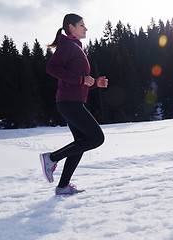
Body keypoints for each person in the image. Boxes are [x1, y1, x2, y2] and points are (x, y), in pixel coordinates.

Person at [40, 13, 108, 195]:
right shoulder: (68, 45)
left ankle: (63, 187)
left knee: (81, 142)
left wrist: (94, 83)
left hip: (71, 101)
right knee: (96, 138)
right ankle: (51, 158)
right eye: (81, 25)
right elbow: (52, 68)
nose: (86, 28)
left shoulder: (75, 46)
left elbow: (81, 80)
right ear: (71, 27)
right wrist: (81, 79)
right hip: (69, 103)